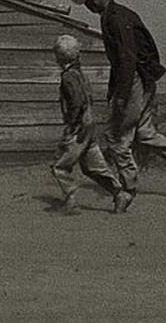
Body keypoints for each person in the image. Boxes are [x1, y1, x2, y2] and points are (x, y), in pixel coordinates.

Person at [70, 0, 166, 211]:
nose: (88, 6)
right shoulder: (114, 14)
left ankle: (128, 190)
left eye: (88, 0)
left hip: (134, 81)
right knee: (145, 134)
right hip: (139, 79)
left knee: (117, 139)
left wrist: (120, 97)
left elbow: (127, 59)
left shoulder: (116, 19)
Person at [50, 34, 124, 214]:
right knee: (93, 166)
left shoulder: (68, 77)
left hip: (79, 127)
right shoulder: (81, 74)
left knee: (60, 165)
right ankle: (119, 193)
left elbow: (76, 102)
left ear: (60, 56)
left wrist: (73, 124)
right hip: (90, 125)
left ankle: (71, 201)